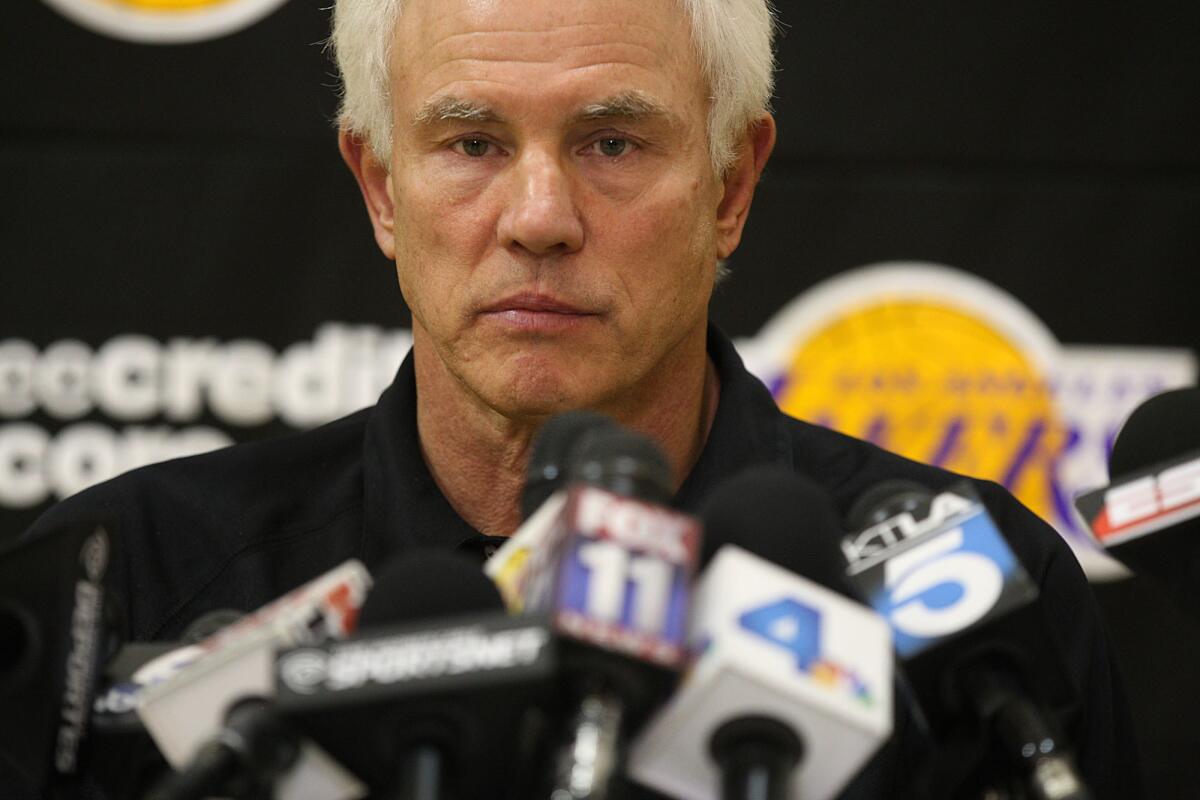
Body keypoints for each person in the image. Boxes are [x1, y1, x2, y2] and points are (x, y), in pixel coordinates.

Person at [22, 0, 1139, 797]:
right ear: (380, 190)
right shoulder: (135, 583)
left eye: (612, 141)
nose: (539, 216)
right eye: (470, 143)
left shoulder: (980, 594)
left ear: (732, 186)